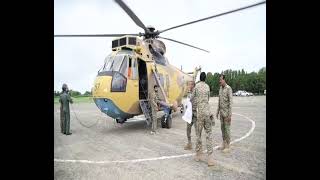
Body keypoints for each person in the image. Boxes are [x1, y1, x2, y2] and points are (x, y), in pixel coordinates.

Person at [190, 72, 214, 166]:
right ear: (205, 78)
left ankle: (198, 155)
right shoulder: (207, 87)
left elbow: (192, 98)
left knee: (198, 134)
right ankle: (210, 159)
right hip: (207, 113)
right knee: (208, 135)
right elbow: (208, 99)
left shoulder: (196, 87)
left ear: (199, 78)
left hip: (200, 114)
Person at [216, 74, 233, 153]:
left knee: (227, 129)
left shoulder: (228, 89)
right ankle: (224, 143)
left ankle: (228, 146)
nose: (220, 81)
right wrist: (217, 112)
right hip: (221, 113)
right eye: (219, 80)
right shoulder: (220, 89)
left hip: (226, 114)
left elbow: (230, 103)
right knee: (222, 129)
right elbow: (219, 101)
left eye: (221, 80)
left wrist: (229, 115)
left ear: (224, 80)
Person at [184, 81, 197, 150]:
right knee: (188, 129)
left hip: (195, 114)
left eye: (190, 85)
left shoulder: (197, 93)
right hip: (189, 115)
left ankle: (198, 146)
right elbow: (188, 102)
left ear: (193, 85)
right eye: (188, 84)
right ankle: (189, 144)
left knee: (197, 130)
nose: (189, 86)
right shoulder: (188, 93)